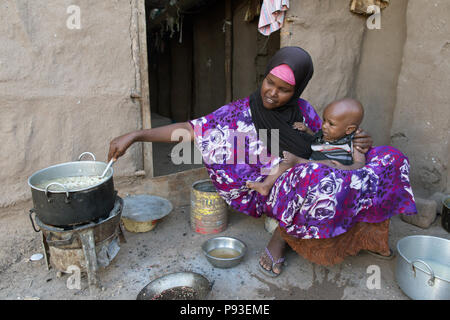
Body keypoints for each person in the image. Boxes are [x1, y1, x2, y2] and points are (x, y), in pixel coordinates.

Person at [108, 46, 417, 277]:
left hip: (313, 171)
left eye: (285, 90)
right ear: (264, 76)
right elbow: (191, 130)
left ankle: (368, 234)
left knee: (389, 158)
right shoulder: (237, 114)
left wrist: (355, 142)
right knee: (315, 176)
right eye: (270, 82)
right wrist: (136, 135)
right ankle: (280, 238)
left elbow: (323, 143)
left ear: (298, 90)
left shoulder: (304, 112)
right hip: (267, 189)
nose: (272, 93)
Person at [246, 98, 366, 197]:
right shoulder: (325, 134)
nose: (324, 126)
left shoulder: (353, 142)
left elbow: (360, 163)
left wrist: (345, 168)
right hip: (311, 167)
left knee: (326, 163)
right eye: (324, 120)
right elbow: (315, 139)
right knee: (285, 162)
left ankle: (297, 161)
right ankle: (265, 185)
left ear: (349, 129)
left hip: (333, 172)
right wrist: (307, 130)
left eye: (331, 124)